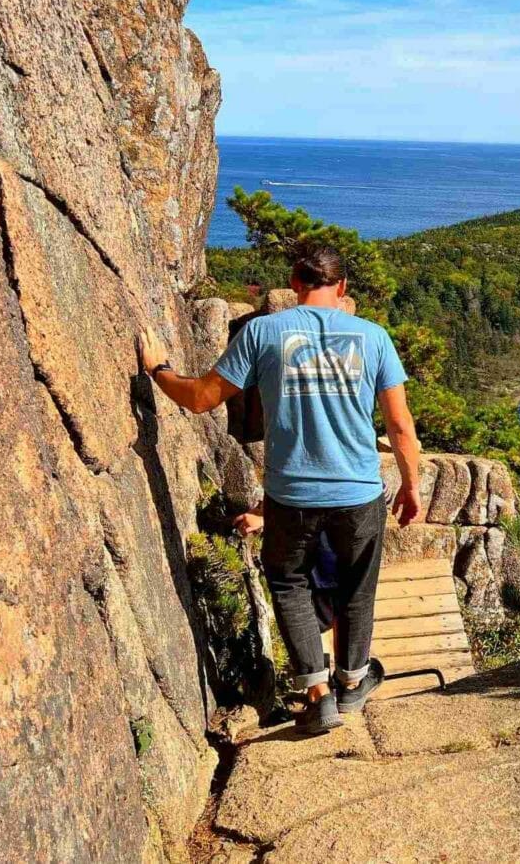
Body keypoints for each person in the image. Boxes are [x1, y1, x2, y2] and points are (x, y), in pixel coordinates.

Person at [139, 247, 422, 734]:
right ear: (343, 287)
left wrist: (158, 369)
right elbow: (399, 426)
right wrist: (412, 485)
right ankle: (352, 684)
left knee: (289, 583)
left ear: (295, 284)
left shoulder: (263, 333)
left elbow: (202, 399)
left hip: (290, 494)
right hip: (357, 491)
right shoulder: (373, 338)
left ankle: (317, 695)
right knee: (357, 587)